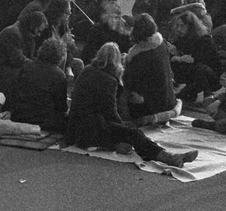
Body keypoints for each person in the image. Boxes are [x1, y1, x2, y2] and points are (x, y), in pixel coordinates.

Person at [66, 43, 196, 167]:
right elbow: (110, 112)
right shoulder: (109, 80)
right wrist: (123, 129)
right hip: (92, 127)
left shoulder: (87, 70)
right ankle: (167, 157)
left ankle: (163, 154)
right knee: (134, 133)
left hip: (76, 125)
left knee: (128, 131)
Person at [122, 14, 179, 127]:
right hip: (167, 100)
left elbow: (128, 82)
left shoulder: (140, 56)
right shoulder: (161, 44)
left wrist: (124, 62)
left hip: (151, 105)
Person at [170, 4, 226, 105]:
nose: (178, 29)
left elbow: (200, 62)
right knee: (176, 64)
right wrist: (176, 57)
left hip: (212, 76)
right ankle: (189, 95)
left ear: (190, 28)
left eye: (182, 26)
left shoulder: (204, 40)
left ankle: (206, 95)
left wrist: (183, 58)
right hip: (195, 73)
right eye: (178, 26)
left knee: (198, 69)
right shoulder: (181, 38)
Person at [8, 38, 70, 132]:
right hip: (43, 120)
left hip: (19, 115)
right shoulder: (59, 75)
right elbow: (61, 107)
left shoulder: (27, 67)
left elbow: (15, 91)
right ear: (60, 56)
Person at [0, 9, 46, 102]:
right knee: (25, 76)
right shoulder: (14, 33)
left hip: (2, 65)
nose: (39, 34)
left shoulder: (22, 33)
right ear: (32, 26)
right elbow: (17, 60)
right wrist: (37, 65)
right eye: (38, 31)